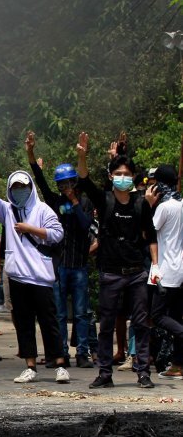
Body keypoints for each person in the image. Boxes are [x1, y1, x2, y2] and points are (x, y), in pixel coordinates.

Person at [0, 142, 70, 384]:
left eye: (23, 187)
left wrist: (31, 229)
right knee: (24, 324)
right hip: (18, 278)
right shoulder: (7, 210)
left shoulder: (43, 210)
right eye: (15, 187)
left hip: (40, 277)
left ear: (30, 188)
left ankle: (60, 364)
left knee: (49, 323)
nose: (19, 190)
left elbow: (57, 234)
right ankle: (30, 365)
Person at [77, 132, 156, 389]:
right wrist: (82, 155)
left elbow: (151, 236)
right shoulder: (105, 199)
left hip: (136, 273)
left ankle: (143, 371)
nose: (122, 178)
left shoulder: (141, 203)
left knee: (141, 324)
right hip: (110, 272)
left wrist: (155, 265)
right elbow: (85, 179)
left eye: (127, 174)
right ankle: (104, 373)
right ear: (111, 176)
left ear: (133, 177)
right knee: (106, 325)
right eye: (118, 173)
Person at [25, 132, 94, 369]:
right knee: (60, 314)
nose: (65, 188)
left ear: (75, 183)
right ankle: (61, 352)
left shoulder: (84, 202)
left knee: (82, 312)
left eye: (69, 183)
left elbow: (86, 226)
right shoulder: (54, 202)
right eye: (62, 184)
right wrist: (31, 155)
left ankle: (83, 352)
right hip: (59, 265)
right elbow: (40, 181)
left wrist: (74, 202)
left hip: (79, 265)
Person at [145, 165, 183, 380]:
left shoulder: (164, 207)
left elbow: (148, 231)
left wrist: (151, 205)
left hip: (165, 269)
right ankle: (178, 364)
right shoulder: (181, 204)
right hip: (179, 268)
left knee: (157, 315)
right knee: (176, 315)